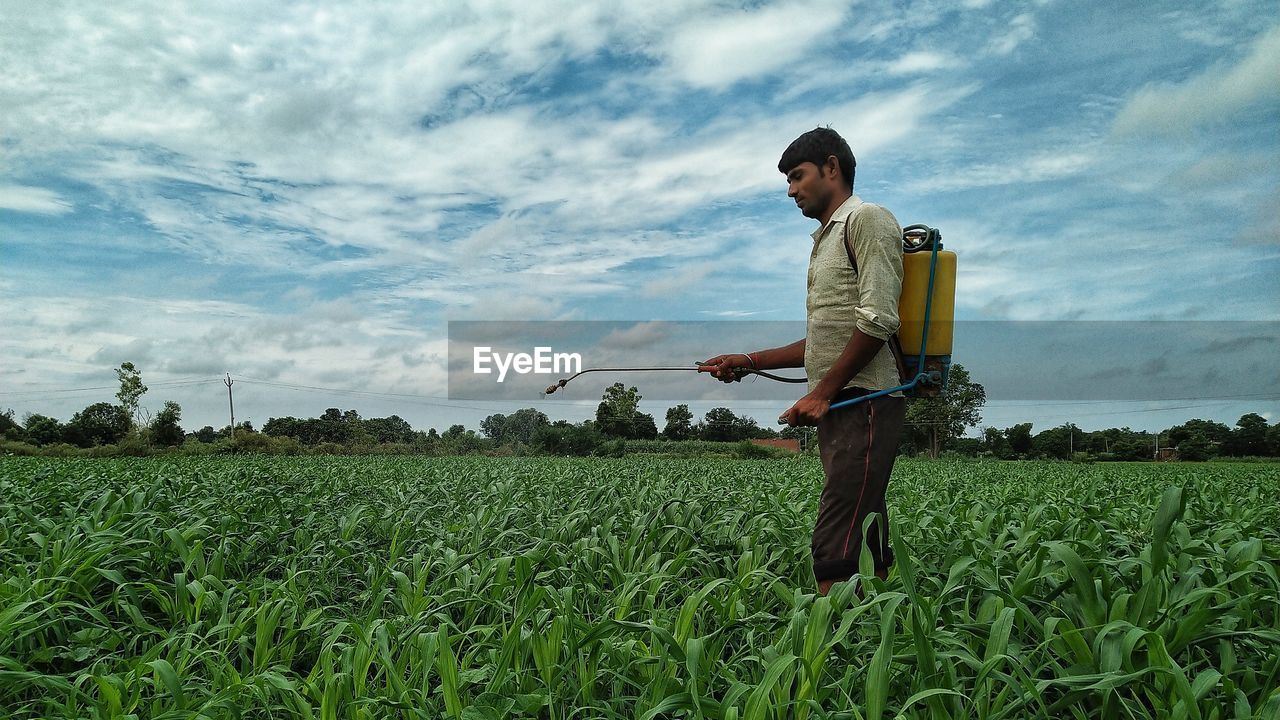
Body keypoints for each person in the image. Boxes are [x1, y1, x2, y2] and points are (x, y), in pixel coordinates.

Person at [699, 126, 906, 597]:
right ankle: (879, 629)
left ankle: (828, 649)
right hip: (844, 402)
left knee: (836, 529)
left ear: (831, 168)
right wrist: (749, 360)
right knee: (863, 518)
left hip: (866, 399)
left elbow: (878, 320)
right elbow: (822, 339)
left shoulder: (867, 220)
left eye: (797, 176)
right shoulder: (825, 238)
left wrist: (821, 392)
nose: (791, 190)